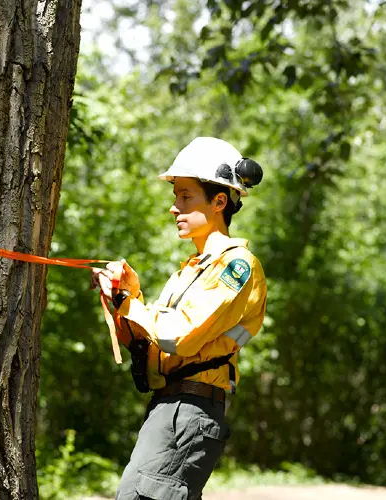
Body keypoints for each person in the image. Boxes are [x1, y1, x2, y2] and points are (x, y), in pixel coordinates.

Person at [92, 137, 267, 500]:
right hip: (170, 408)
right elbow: (149, 342)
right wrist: (124, 297)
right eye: (177, 196)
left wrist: (130, 302)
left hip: (191, 409)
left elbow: (181, 338)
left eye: (186, 196)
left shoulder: (235, 266)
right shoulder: (192, 269)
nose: (175, 207)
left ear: (220, 201)